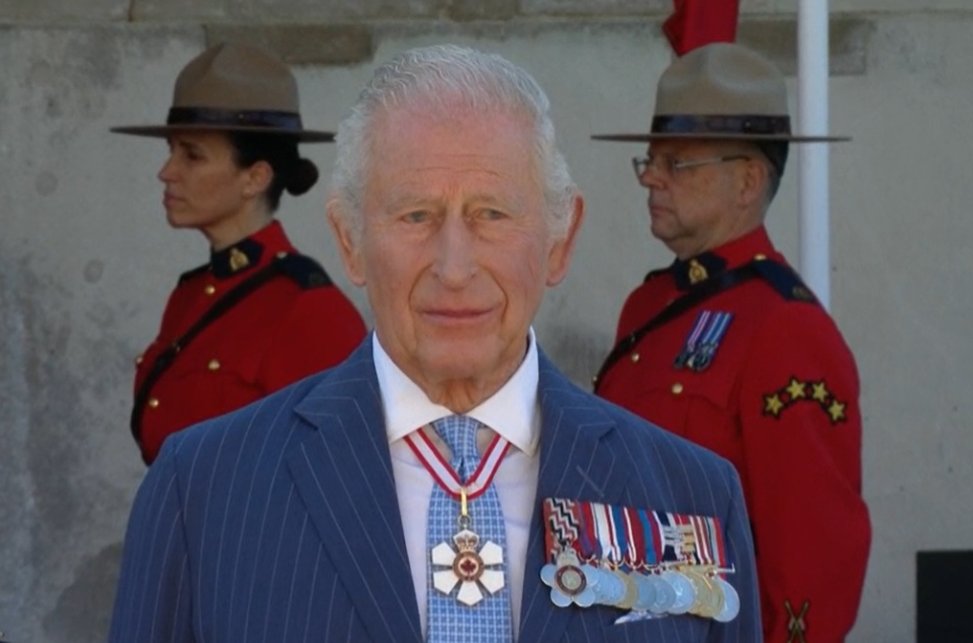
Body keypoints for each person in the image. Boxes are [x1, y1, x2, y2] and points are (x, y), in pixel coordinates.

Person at [108, 44, 764, 642]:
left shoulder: (693, 497)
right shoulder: (201, 491)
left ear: (559, 240)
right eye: (415, 215)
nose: (454, 266)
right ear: (350, 241)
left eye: (492, 214)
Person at [592, 43, 871, 642]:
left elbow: (811, 554)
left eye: (676, 163)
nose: (650, 177)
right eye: (650, 159)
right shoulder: (650, 306)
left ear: (747, 180)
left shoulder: (785, 328)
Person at [111, 42, 367, 464]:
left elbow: (340, 471)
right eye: (171, 151)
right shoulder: (190, 295)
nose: (166, 172)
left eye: (192, 155)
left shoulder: (308, 309)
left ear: (255, 178)